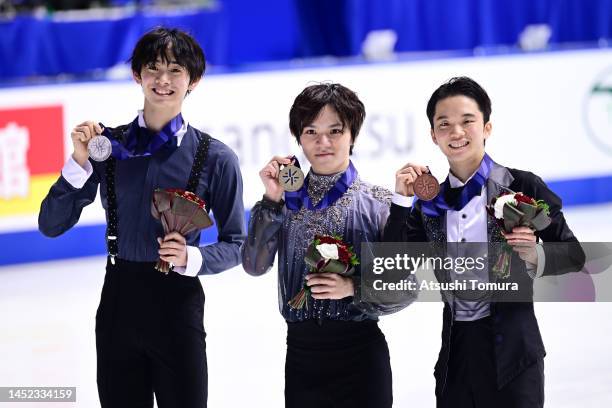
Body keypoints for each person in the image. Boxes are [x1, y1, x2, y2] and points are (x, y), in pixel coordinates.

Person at [38, 27, 246, 408]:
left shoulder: (216, 158)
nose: (163, 80)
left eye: (176, 70)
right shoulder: (106, 147)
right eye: (152, 68)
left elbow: (238, 244)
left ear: (194, 80)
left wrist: (192, 258)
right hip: (119, 299)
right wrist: (78, 161)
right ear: (137, 75)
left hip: (177, 304)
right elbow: (51, 225)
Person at [384, 76, 585, 408]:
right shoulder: (430, 204)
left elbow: (575, 256)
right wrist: (401, 204)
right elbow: (391, 270)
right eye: (444, 124)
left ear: (487, 127)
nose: (456, 132)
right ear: (433, 135)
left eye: (467, 121)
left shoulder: (523, 186)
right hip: (456, 358)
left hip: (513, 357)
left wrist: (535, 255)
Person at [242, 83, 414, 408]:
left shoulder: (379, 205)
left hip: (361, 358)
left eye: (335, 130)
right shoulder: (285, 203)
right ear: (299, 138)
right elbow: (253, 265)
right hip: (302, 360)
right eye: (311, 131)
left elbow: (408, 288)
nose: (323, 142)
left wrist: (353, 287)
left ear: (353, 135)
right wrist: (270, 198)